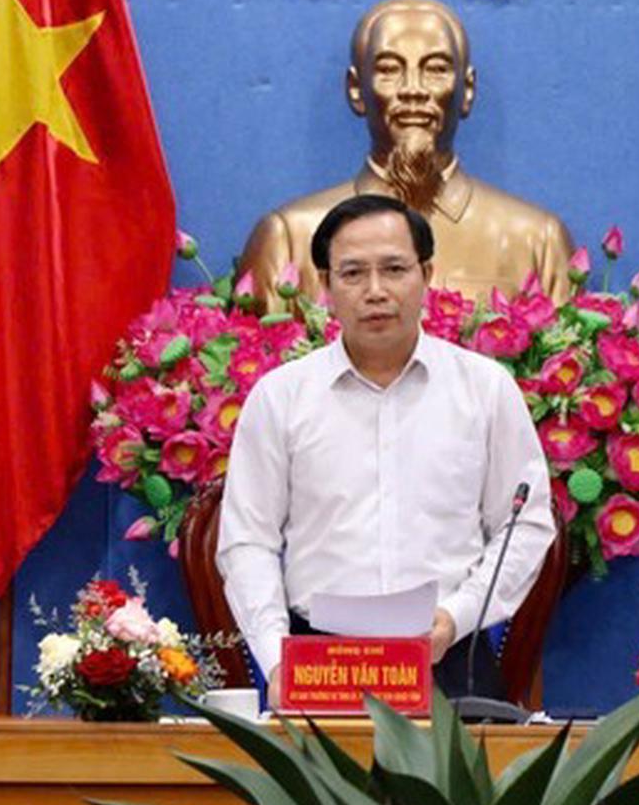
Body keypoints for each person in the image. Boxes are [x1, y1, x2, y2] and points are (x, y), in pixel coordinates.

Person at [219, 194, 555, 708]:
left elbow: (524, 525)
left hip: (448, 658)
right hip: (320, 664)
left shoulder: (484, 389)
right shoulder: (281, 397)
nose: (375, 291)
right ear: (326, 284)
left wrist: (458, 616)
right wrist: (275, 658)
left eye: (394, 269)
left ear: (427, 274)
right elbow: (247, 541)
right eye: (353, 273)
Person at [237, 0, 575, 312]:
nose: (413, 89)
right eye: (389, 70)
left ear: (468, 90)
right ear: (356, 90)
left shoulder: (537, 242)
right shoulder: (289, 239)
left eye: (436, 69)